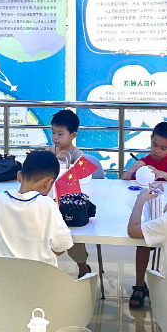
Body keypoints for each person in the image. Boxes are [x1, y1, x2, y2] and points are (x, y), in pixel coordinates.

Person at [121, 122, 167, 309]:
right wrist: (131, 170)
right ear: (150, 140)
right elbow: (123, 182)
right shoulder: (144, 162)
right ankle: (139, 284)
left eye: (163, 148)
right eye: (154, 145)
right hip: (150, 211)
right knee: (143, 242)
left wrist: (160, 173)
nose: (157, 151)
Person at [0, 150, 73, 265]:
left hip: (4, 275)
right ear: (48, 183)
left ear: (19, 176)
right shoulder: (48, 205)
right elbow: (60, 248)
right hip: (42, 276)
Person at [47, 109, 93, 278]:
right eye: (53, 132)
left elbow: (84, 178)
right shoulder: (48, 152)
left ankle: (82, 266)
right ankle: (47, 267)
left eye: (60, 134)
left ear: (73, 135)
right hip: (49, 200)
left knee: (74, 237)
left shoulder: (77, 155)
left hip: (69, 203)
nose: (55, 137)